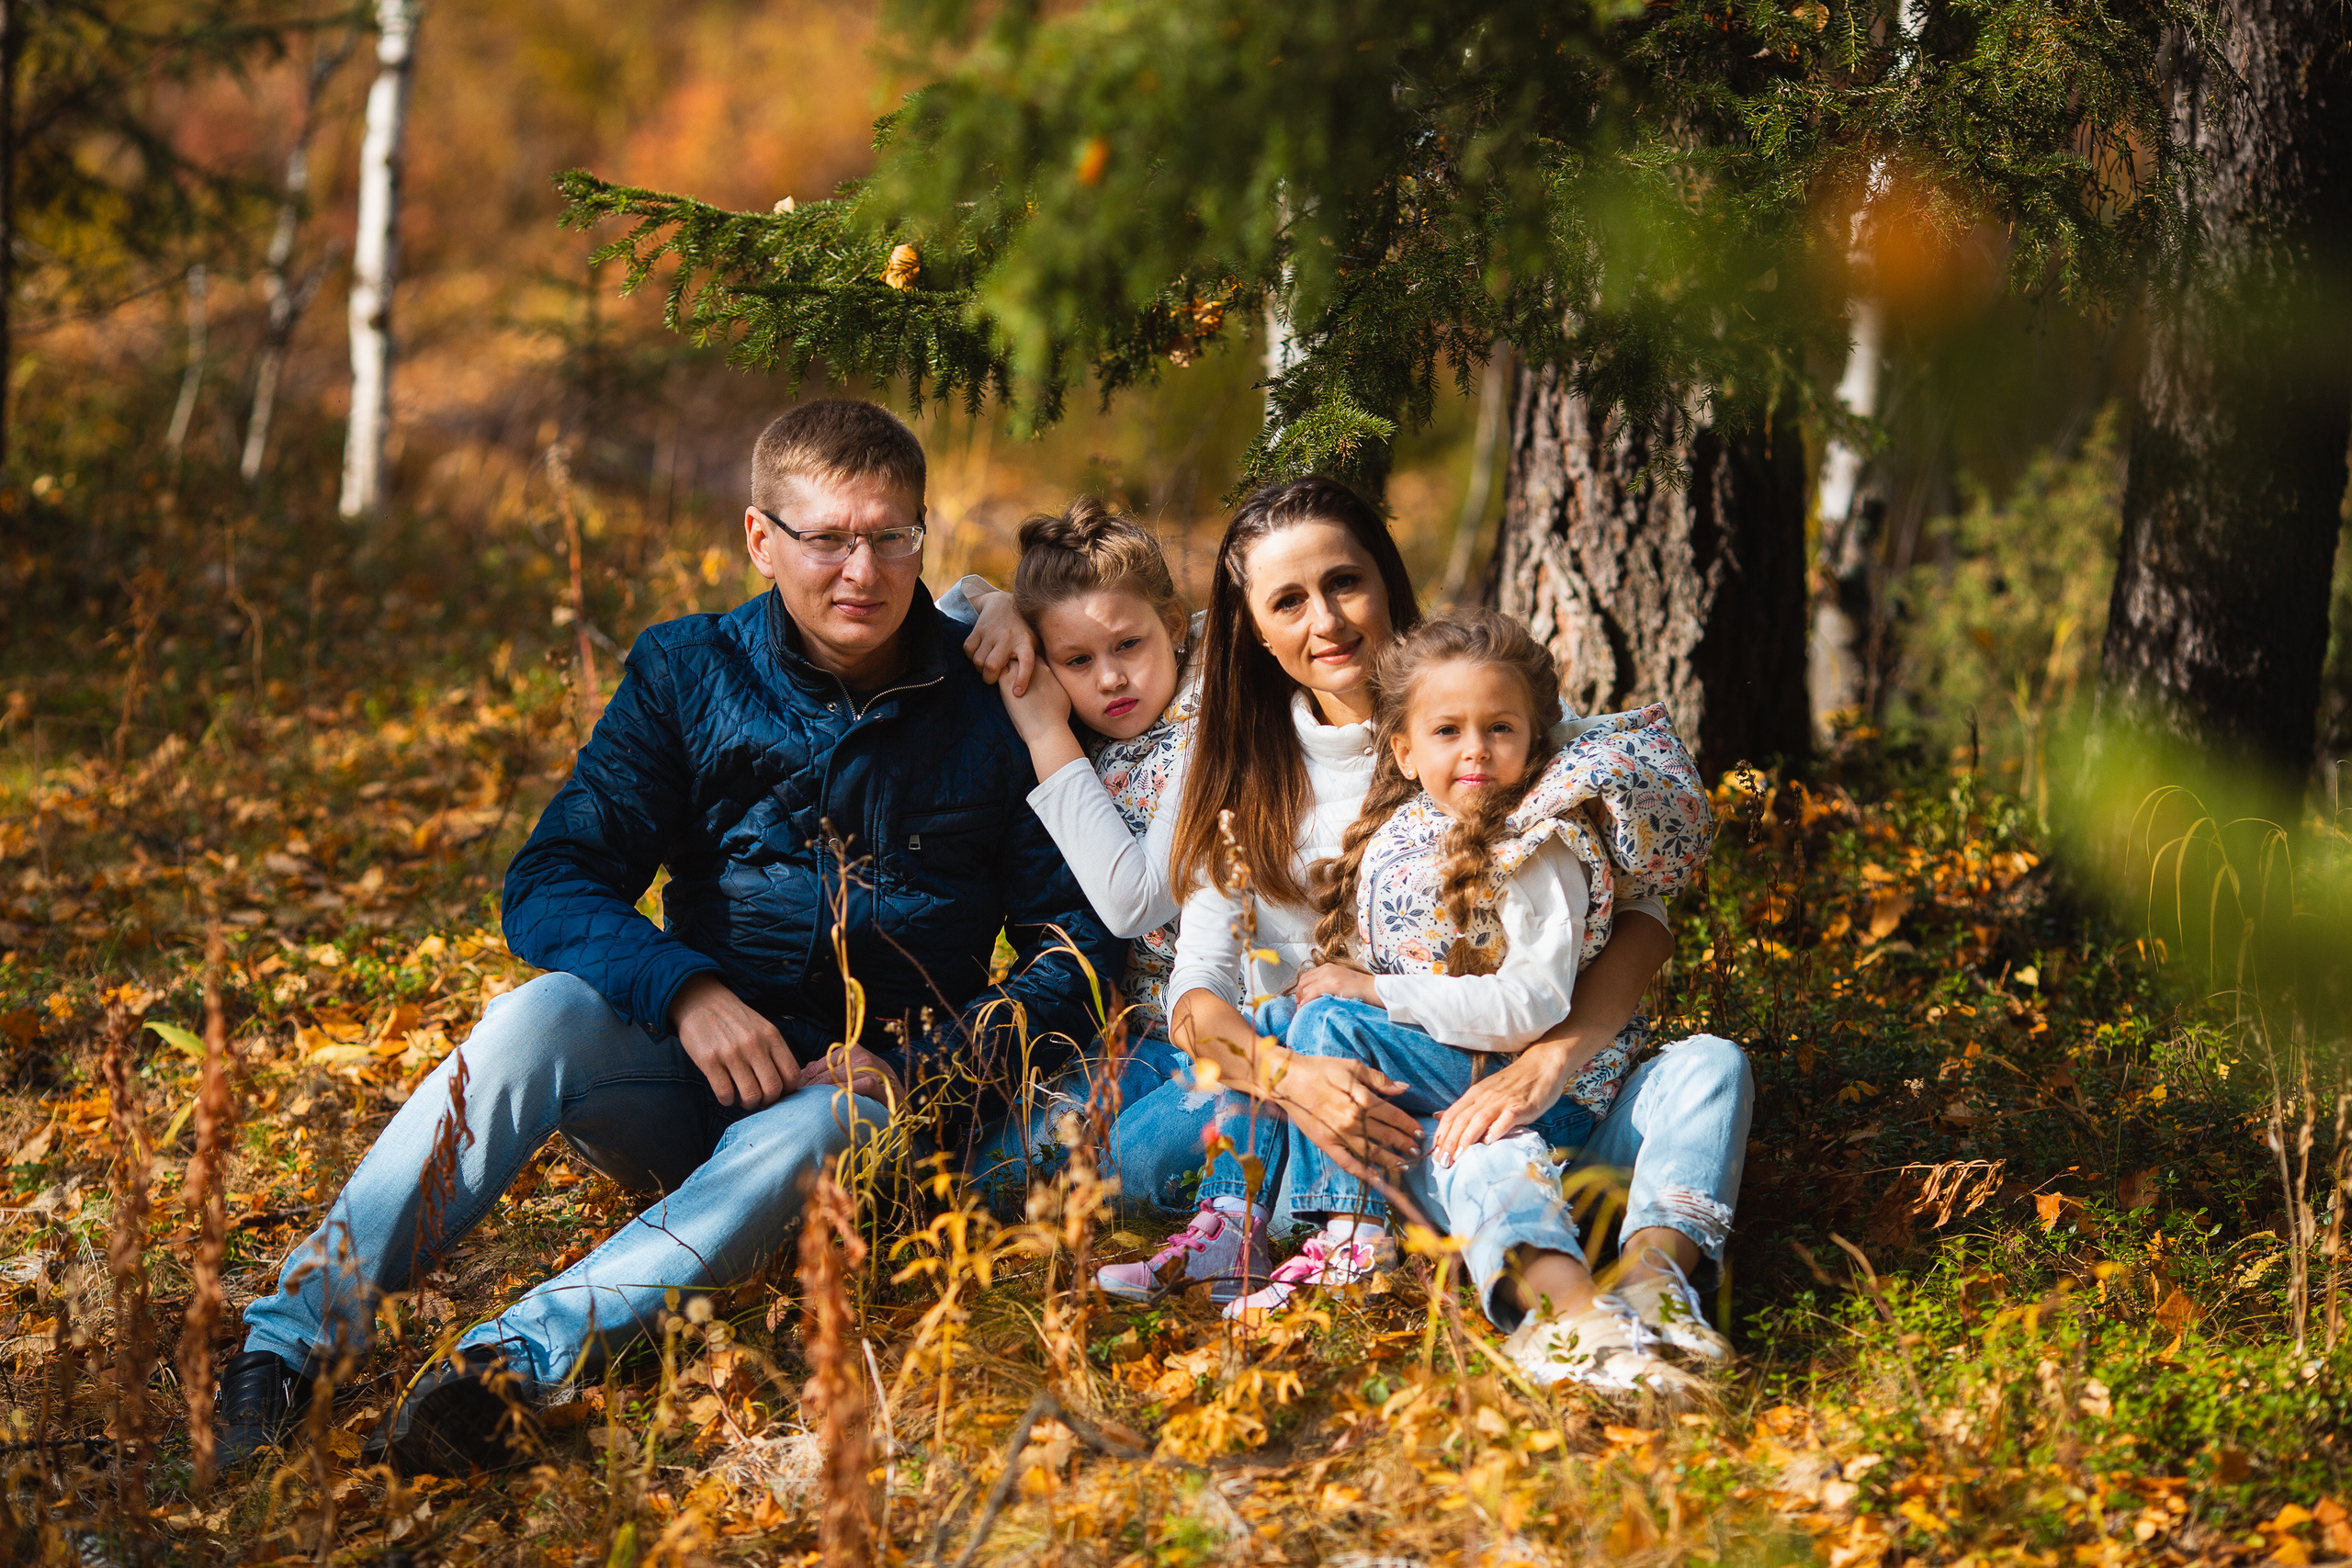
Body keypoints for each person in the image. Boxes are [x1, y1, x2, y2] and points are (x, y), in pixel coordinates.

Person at [214, 400, 1120, 1476]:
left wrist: (914, 1069)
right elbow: (549, 880)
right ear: (759, 538)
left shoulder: (990, 702)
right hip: (695, 1084)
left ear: (924, 534)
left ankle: (507, 1367)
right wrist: (686, 991)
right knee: (539, 1011)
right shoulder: (689, 672)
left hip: (862, 1119)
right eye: (825, 538)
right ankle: (289, 1346)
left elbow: (1074, 951)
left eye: (890, 536)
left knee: (819, 1119)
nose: (861, 571)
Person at [1100, 476, 1749, 1394]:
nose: (1325, 618)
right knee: (1139, 1157)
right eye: (1288, 600)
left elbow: (1642, 916)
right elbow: (1196, 1000)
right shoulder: (1250, 773)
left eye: (1344, 581)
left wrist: (1555, 1056)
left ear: (1386, 580)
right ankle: (1505, 1277)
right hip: (1380, 1113)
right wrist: (1296, 1082)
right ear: (1251, 626)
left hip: (1538, 1092)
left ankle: (1652, 1284)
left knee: (1709, 1065)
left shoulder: (1479, 721)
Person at [1216, 609, 1715, 1332]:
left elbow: (1535, 1004)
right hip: (1466, 1063)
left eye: (1500, 729)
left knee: (1330, 1019)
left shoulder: (1537, 844)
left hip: (1541, 1081)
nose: (1475, 750)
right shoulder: (1410, 826)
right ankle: (1232, 1223)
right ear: (1406, 751)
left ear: (1534, 741)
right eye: (1448, 731)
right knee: (1279, 1020)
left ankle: (1352, 1237)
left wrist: (1372, 992)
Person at [938, 500, 1229, 1214]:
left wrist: (1042, 727)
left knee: (1133, 1172)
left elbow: (1137, 900)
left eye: (1129, 645)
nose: (1109, 680)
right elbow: (945, 613)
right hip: (1134, 1038)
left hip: (1233, 1037)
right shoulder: (1095, 723)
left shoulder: (1212, 716)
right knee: (987, 1182)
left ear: (1172, 623)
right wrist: (995, 601)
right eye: (1076, 660)